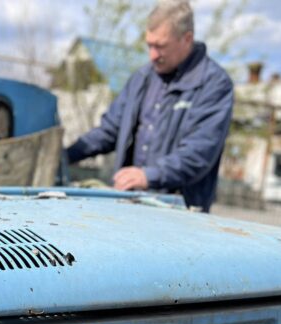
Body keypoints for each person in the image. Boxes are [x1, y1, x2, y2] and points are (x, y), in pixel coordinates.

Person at [65, 0, 234, 212]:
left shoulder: (213, 84)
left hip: (180, 215)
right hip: (129, 205)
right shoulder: (141, 79)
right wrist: (64, 155)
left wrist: (148, 176)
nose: (152, 55)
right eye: (149, 45)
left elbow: (198, 153)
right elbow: (109, 131)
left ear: (187, 39)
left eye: (161, 46)